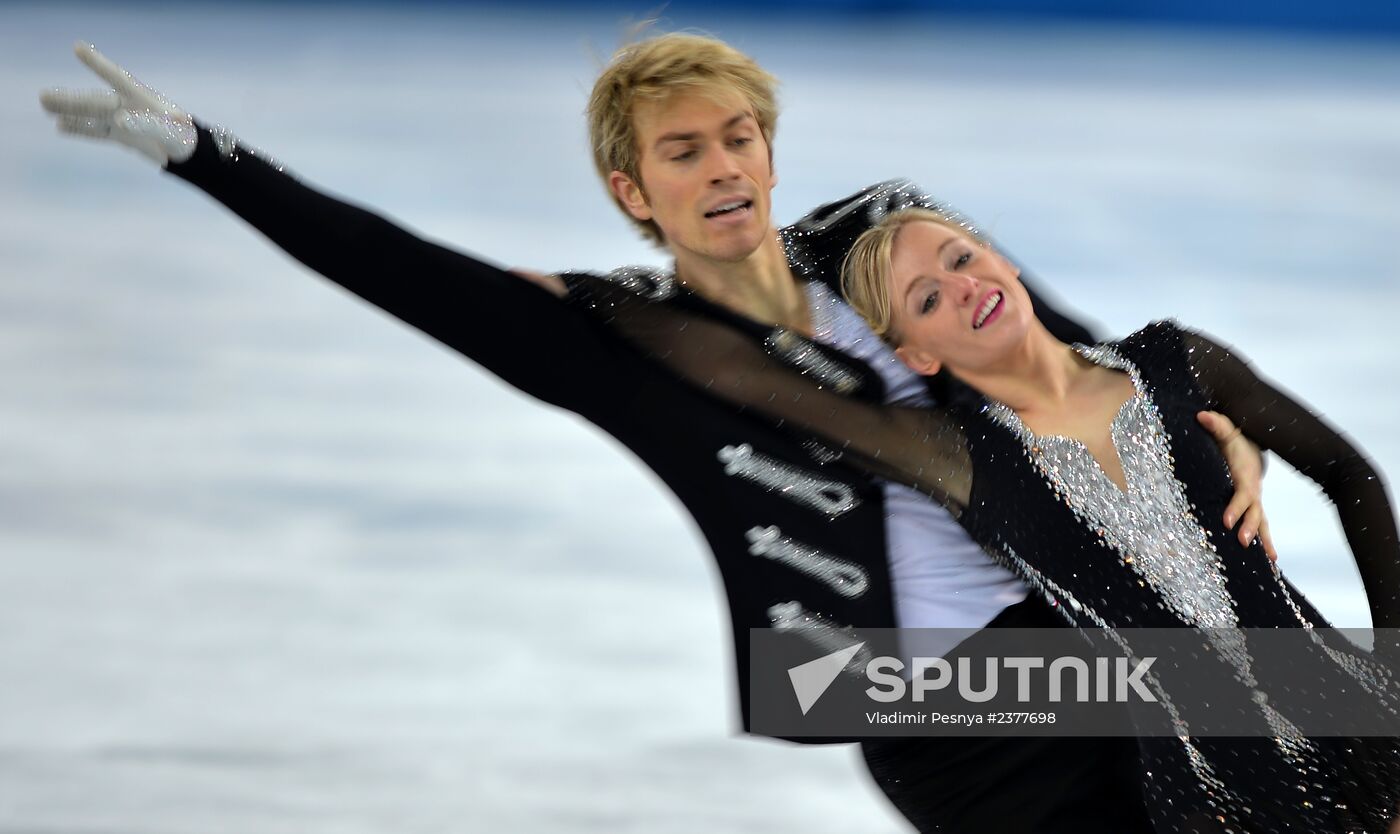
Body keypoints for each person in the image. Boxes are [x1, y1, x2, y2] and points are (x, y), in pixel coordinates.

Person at [40, 36, 1270, 833]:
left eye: (738, 137)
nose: (722, 167)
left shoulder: (887, 246)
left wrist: (1218, 434)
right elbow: (402, 272)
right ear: (634, 192)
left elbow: (1083, 378)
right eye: (683, 152)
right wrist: (207, 157)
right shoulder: (620, 341)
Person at [558, 206, 1400, 832]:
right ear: (918, 354)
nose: (964, 289)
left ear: (999, 257)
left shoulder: (1175, 360)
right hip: (1212, 794)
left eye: (963, 258)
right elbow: (736, 372)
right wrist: (593, 296)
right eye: (927, 299)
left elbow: (1349, 473)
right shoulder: (954, 455)